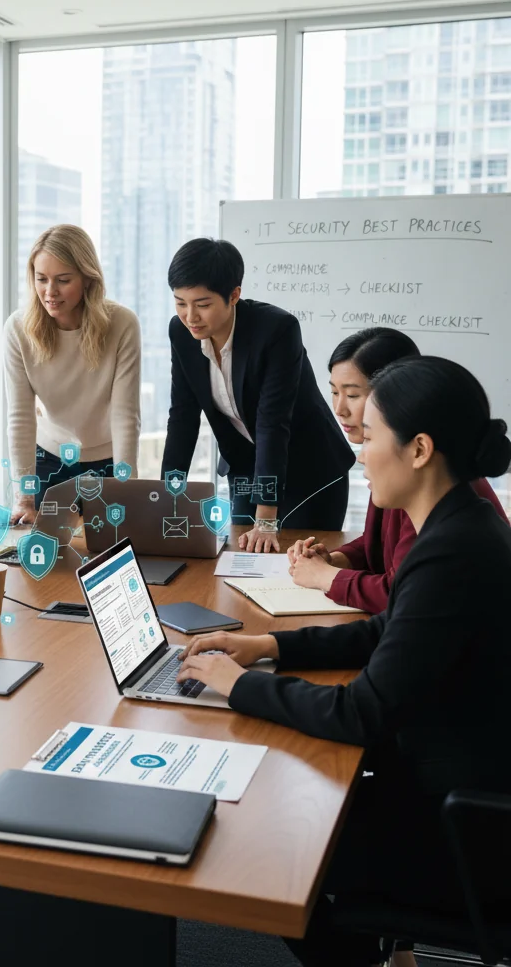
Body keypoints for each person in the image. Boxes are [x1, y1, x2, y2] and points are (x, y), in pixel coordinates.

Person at [177, 355, 511, 967]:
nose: (359, 454)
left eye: (371, 436)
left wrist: (238, 685)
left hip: (466, 832)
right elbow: (388, 630)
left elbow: (361, 713)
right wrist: (271, 647)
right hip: (455, 784)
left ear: (419, 450)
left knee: (265, 845)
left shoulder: (453, 550)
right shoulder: (460, 526)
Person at [288, 329, 508, 612]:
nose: (339, 409)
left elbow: (404, 593)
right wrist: (334, 560)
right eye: (333, 392)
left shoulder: (433, 484)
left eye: (352, 394)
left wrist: (325, 577)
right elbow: (381, 545)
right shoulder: (396, 462)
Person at [160, 238, 354, 551]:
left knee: (298, 561)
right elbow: (182, 416)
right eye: (180, 303)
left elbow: (272, 422)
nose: (190, 316)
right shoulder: (181, 332)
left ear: (233, 295)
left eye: (203, 304)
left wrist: (265, 521)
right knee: (239, 559)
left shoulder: (276, 330)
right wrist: (166, 498)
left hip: (310, 467)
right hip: (246, 466)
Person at [4, 224, 141, 524]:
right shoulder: (18, 329)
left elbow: (125, 416)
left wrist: (127, 490)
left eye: (63, 280)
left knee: (109, 543)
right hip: (48, 460)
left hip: (107, 461)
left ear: (88, 278)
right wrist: (24, 498)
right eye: (41, 279)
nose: (50, 292)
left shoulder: (122, 324)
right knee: (45, 547)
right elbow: (20, 417)